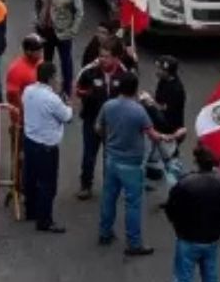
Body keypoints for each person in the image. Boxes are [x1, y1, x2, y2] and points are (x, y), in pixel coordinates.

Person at [96, 70, 156, 256]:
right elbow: (152, 134)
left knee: (109, 197)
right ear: (135, 89)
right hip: (132, 163)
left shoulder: (108, 106)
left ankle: (104, 232)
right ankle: (134, 243)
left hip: (111, 158)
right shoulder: (139, 111)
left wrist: (109, 138)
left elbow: (98, 127)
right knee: (133, 204)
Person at [167, 147, 220, 282]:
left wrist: (177, 225)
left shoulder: (184, 184)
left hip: (188, 238)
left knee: (183, 279)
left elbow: (171, 209)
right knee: (211, 278)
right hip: (211, 239)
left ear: (197, 162)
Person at [73, 41, 131, 198]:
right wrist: (91, 95)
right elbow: (78, 90)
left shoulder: (123, 73)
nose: (102, 59)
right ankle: (86, 185)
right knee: (89, 155)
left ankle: (109, 186)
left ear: (117, 58)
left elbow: (131, 93)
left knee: (110, 156)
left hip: (113, 123)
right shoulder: (89, 71)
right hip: (92, 120)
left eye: (107, 56)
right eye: (101, 55)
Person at [21, 61, 74, 232]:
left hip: (30, 140)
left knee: (31, 178)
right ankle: (45, 220)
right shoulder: (52, 99)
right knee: (47, 184)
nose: (58, 79)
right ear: (51, 78)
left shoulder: (28, 91)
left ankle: (31, 211)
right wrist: (70, 105)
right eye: (56, 76)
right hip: (46, 147)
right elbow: (67, 117)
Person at [35, 0, 85, 93]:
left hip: (63, 33)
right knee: (46, 62)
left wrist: (73, 30)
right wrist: (39, 20)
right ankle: (45, 88)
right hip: (47, 31)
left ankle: (66, 91)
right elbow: (38, 4)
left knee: (66, 63)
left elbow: (79, 12)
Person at [149, 55, 189, 195]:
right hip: (160, 128)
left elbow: (166, 111)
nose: (157, 70)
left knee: (171, 162)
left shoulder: (176, 90)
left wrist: (151, 103)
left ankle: (176, 192)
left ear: (167, 71)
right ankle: (153, 179)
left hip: (171, 131)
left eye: (159, 68)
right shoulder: (163, 82)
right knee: (154, 157)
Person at [7, 35, 45, 110]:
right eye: (38, 49)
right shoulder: (16, 69)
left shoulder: (42, 64)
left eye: (41, 48)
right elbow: (12, 96)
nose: (41, 52)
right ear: (28, 51)